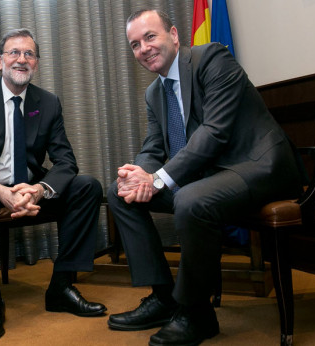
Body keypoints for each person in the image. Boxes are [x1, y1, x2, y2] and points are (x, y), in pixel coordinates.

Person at [106, 9, 303, 346]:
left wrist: (157, 180)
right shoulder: (154, 93)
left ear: (174, 35)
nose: (144, 49)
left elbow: (215, 132)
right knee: (117, 193)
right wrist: (139, 175)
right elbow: (153, 146)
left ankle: (196, 313)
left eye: (150, 37)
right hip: (213, 177)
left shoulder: (211, 58)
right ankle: (164, 296)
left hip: (261, 166)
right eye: (135, 45)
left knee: (190, 199)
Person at [0, 28, 106, 340]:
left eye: (29, 53)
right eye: (14, 53)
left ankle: (61, 285)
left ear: (37, 63)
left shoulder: (47, 102)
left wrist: (40, 189)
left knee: (88, 186)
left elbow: (66, 161)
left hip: (29, 189)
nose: (22, 59)